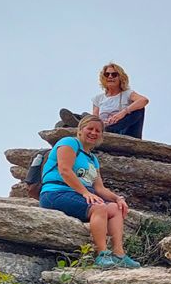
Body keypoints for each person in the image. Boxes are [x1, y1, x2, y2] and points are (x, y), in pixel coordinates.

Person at [38, 115, 140, 268]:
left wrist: (118, 198)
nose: (94, 133)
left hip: (76, 195)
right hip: (55, 193)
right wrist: (85, 192)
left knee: (115, 208)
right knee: (99, 208)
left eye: (98, 131)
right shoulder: (69, 143)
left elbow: (99, 188)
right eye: (90, 128)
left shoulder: (92, 159)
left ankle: (119, 254)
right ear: (80, 130)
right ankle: (102, 255)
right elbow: (65, 170)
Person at [59, 63, 150, 139]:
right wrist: (101, 123)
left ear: (120, 77)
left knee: (139, 109)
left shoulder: (127, 94)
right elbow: (95, 117)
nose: (110, 76)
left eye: (114, 74)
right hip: (103, 127)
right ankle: (80, 123)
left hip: (124, 130)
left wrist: (123, 113)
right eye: (107, 74)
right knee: (85, 116)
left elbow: (144, 100)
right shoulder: (98, 98)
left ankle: (84, 125)